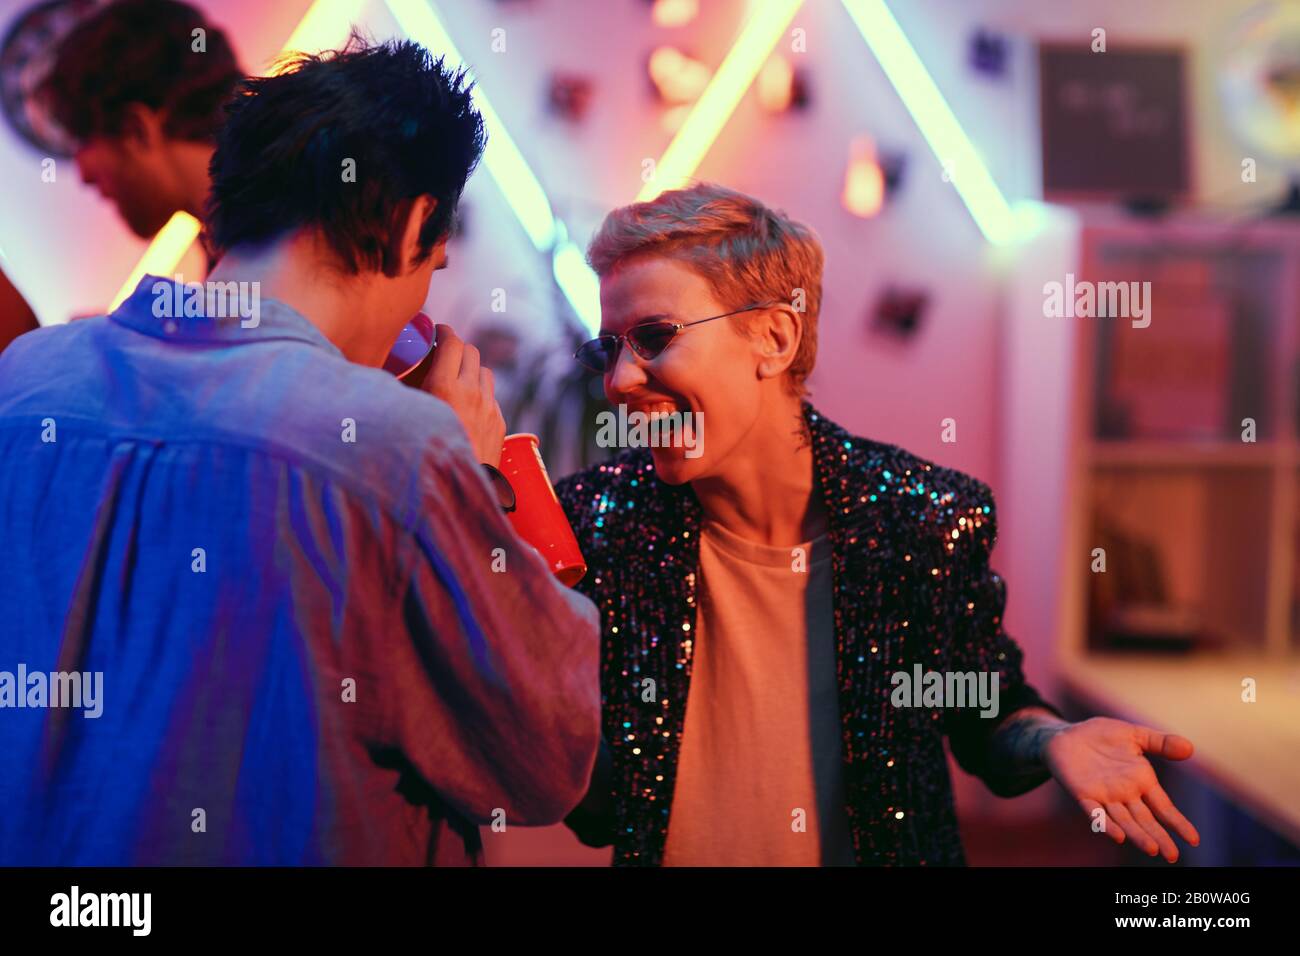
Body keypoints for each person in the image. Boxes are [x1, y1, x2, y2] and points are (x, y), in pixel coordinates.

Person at [0, 39, 600, 865]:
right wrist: (471, 474)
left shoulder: (28, 379)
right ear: (411, 224)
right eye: (435, 259)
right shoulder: (394, 452)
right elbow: (543, 757)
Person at [556, 182, 1200, 866]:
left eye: (654, 337)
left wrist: (1050, 739)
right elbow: (597, 812)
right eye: (610, 349)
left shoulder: (920, 521)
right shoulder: (599, 525)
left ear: (773, 337)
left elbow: (986, 713)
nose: (620, 381)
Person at [37, 0, 243, 243]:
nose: (83, 176)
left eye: (81, 141)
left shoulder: (265, 249)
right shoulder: (285, 193)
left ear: (135, 129)